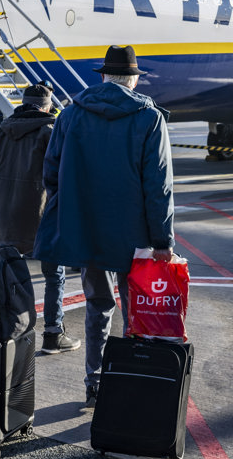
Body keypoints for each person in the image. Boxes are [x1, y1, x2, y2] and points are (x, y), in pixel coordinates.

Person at [32, 45, 175, 408]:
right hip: (135, 236)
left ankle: (94, 383)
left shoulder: (71, 114)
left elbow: (51, 174)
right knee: (135, 310)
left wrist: (74, 214)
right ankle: (129, 378)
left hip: (87, 230)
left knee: (98, 304)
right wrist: (162, 239)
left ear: (102, 76)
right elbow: (157, 186)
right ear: (134, 79)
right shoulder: (148, 117)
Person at [0, 82, 81, 354]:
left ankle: (8, 330)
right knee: (54, 275)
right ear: (48, 106)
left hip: (3, 218)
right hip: (40, 217)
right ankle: (52, 334)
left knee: (5, 278)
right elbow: (61, 178)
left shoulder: (2, 130)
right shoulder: (50, 131)